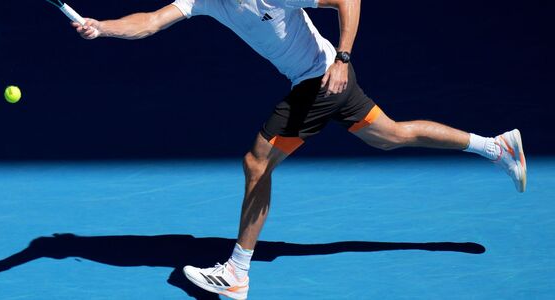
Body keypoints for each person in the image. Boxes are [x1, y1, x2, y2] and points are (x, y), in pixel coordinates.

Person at [72, 0, 526, 298]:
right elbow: (151, 21)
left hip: (322, 79)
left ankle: (236, 273)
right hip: (320, 80)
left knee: (257, 161)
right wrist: (102, 27)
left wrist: (343, 60)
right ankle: (496, 147)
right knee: (391, 136)